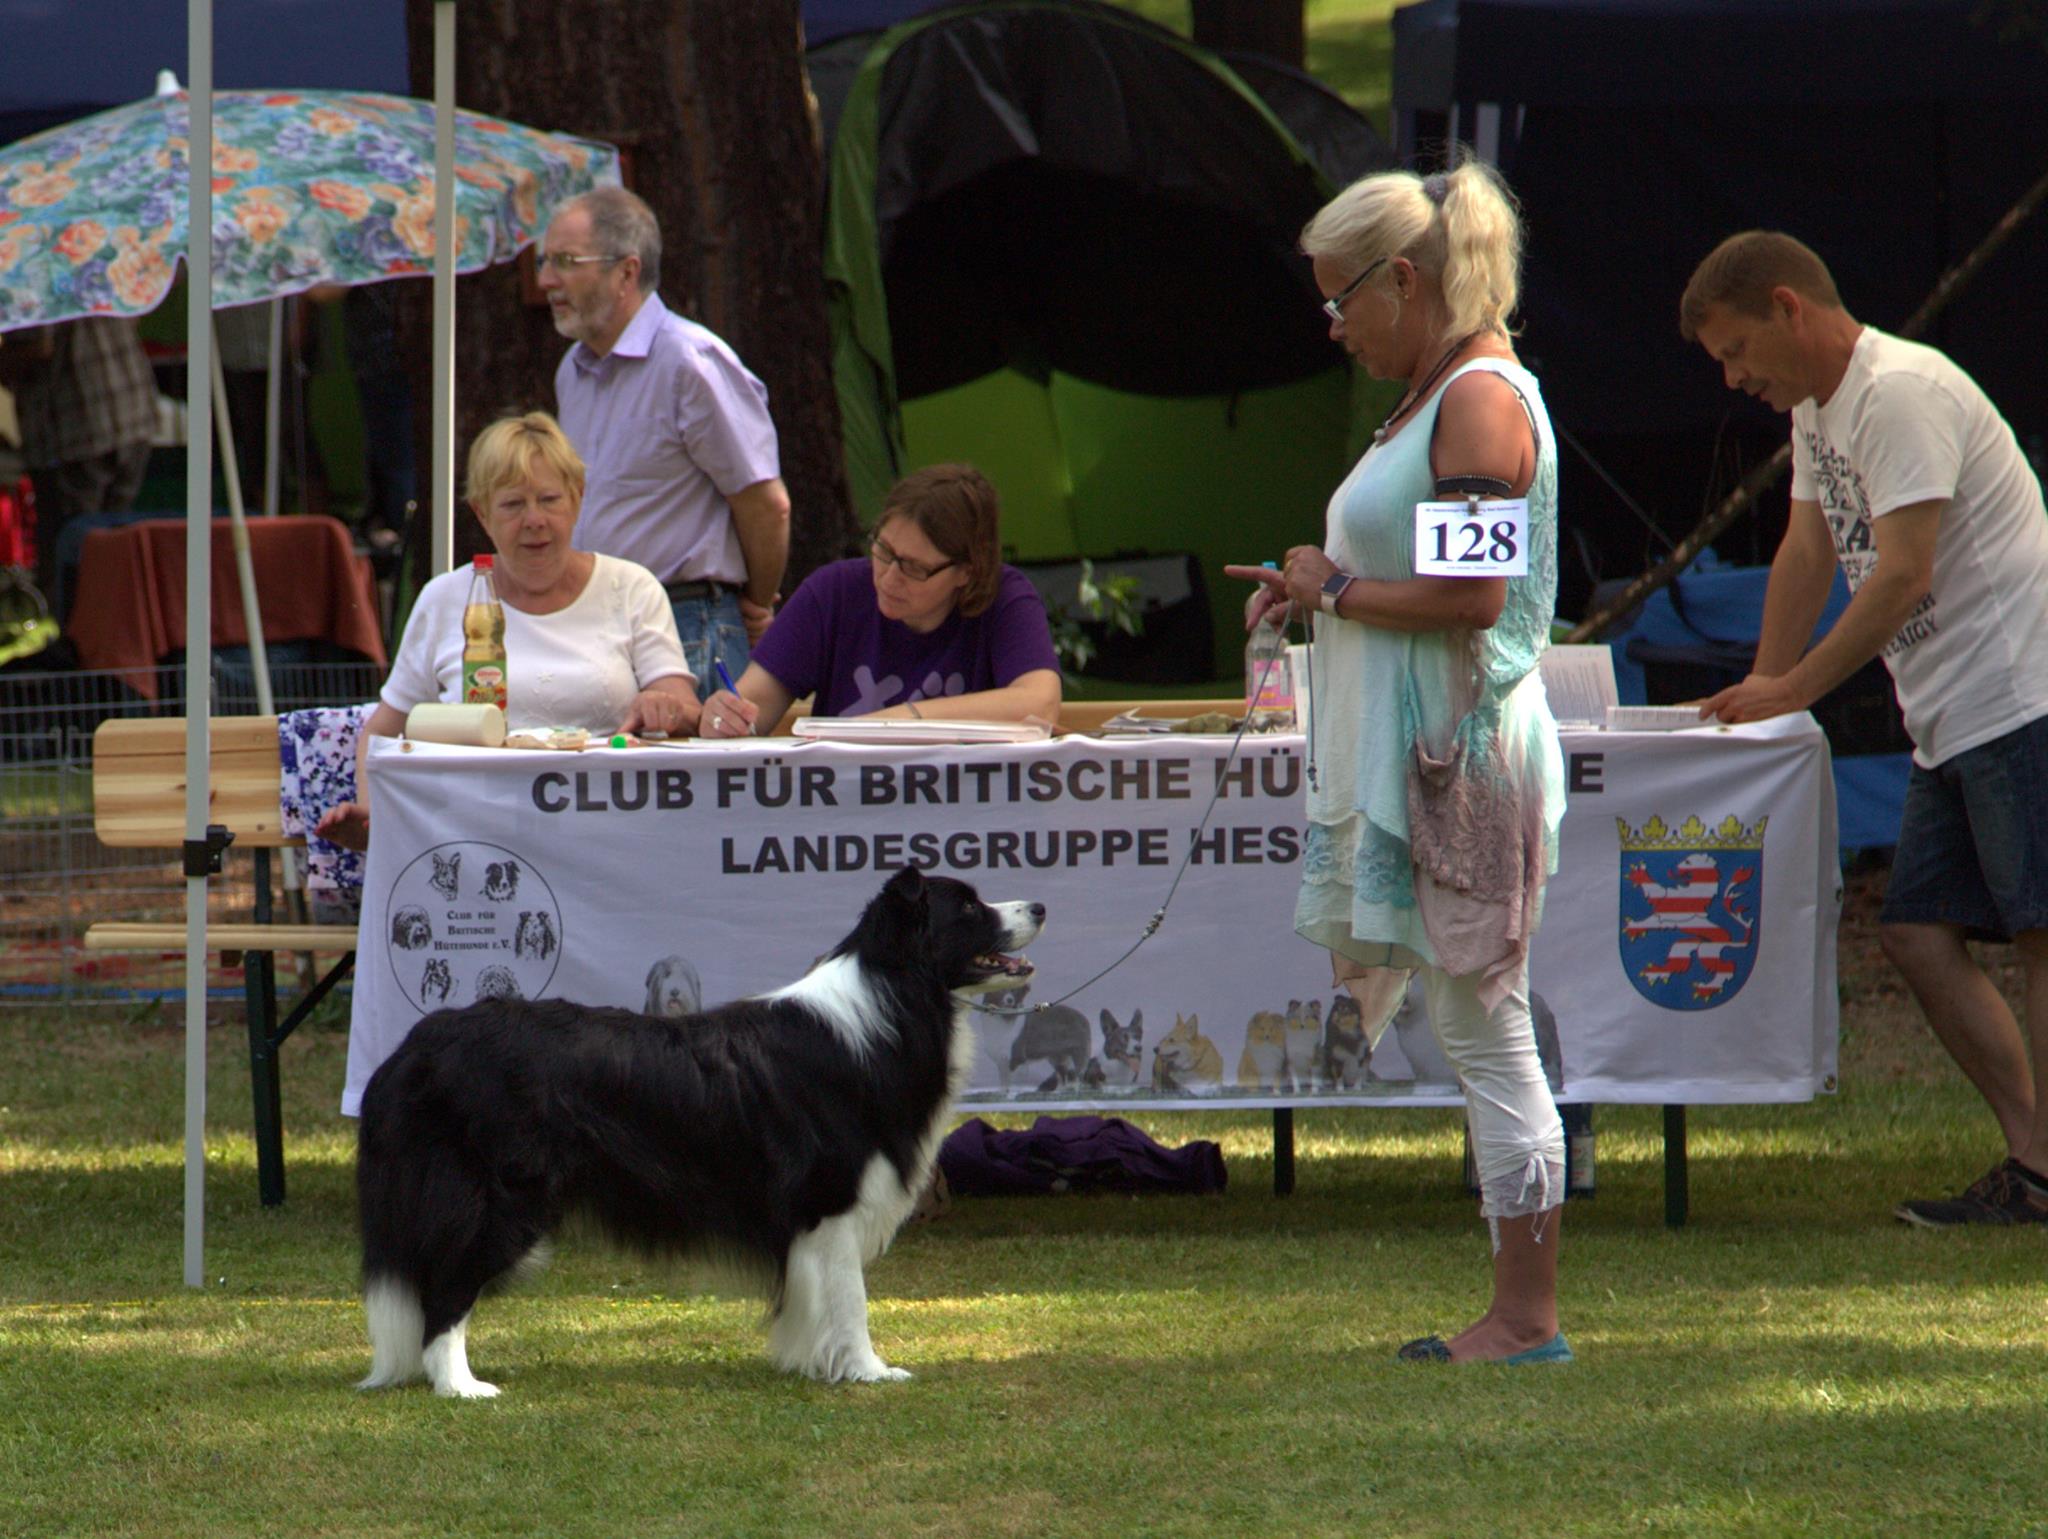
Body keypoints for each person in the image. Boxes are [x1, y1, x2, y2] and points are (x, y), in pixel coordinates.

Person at [1227, 160, 1569, 1364]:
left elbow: (1475, 599)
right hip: (1433, 751)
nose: (1330, 326)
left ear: (1403, 278)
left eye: (1338, 300)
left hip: (1461, 759)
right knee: (1477, 1029)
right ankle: (1515, 1311)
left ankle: (1525, 1319)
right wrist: (1327, 592)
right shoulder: (1435, 396)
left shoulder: (1477, 401)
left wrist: (1340, 586)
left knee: (1487, 1030)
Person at [1682, 231, 2048, 1227]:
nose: (1731, 378)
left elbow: (1899, 573)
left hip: (2019, 695)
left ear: (1786, 308)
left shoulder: (1898, 392)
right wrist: (1762, 682)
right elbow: (1807, 544)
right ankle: (2034, 1159)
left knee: (2036, 934)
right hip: (1947, 710)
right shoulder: (1816, 405)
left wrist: (1793, 686)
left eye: (1734, 350)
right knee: (1915, 932)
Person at [316, 412, 697, 851]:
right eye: (513, 505)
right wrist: (373, 818)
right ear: (482, 513)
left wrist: (664, 705)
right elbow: (382, 731)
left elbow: (682, 706)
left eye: (550, 499)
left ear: (577, 499)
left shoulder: (631, 587)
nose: (534, 519)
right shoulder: (445, 598)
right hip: (473, 842)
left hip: (611, 840)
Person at [541, 186, 790, 696]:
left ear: (626, 272)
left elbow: (766, 505)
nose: (545, 280)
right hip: (597, 626)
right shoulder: (574, 369)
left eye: (565, 261)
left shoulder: (689, 361)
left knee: (693, 778)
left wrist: (758, 603)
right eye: (545, 261)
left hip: (689, 625)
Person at [697, 463, 1060, 738]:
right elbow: (751, 704)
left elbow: (1039, 703)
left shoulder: (1006, 599)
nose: (888, 578)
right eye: (883, 551)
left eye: (914, 568)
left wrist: (903, 720)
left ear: (967, 572)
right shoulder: (834, 591)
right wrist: (722, 716)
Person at [0, 318, 157, 619]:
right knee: (113, 547)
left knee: (73, 557)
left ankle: (77, 648)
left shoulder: (32, 272)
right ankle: (111, 640)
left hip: (76, 426)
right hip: (131, 411)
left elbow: (36, 345)